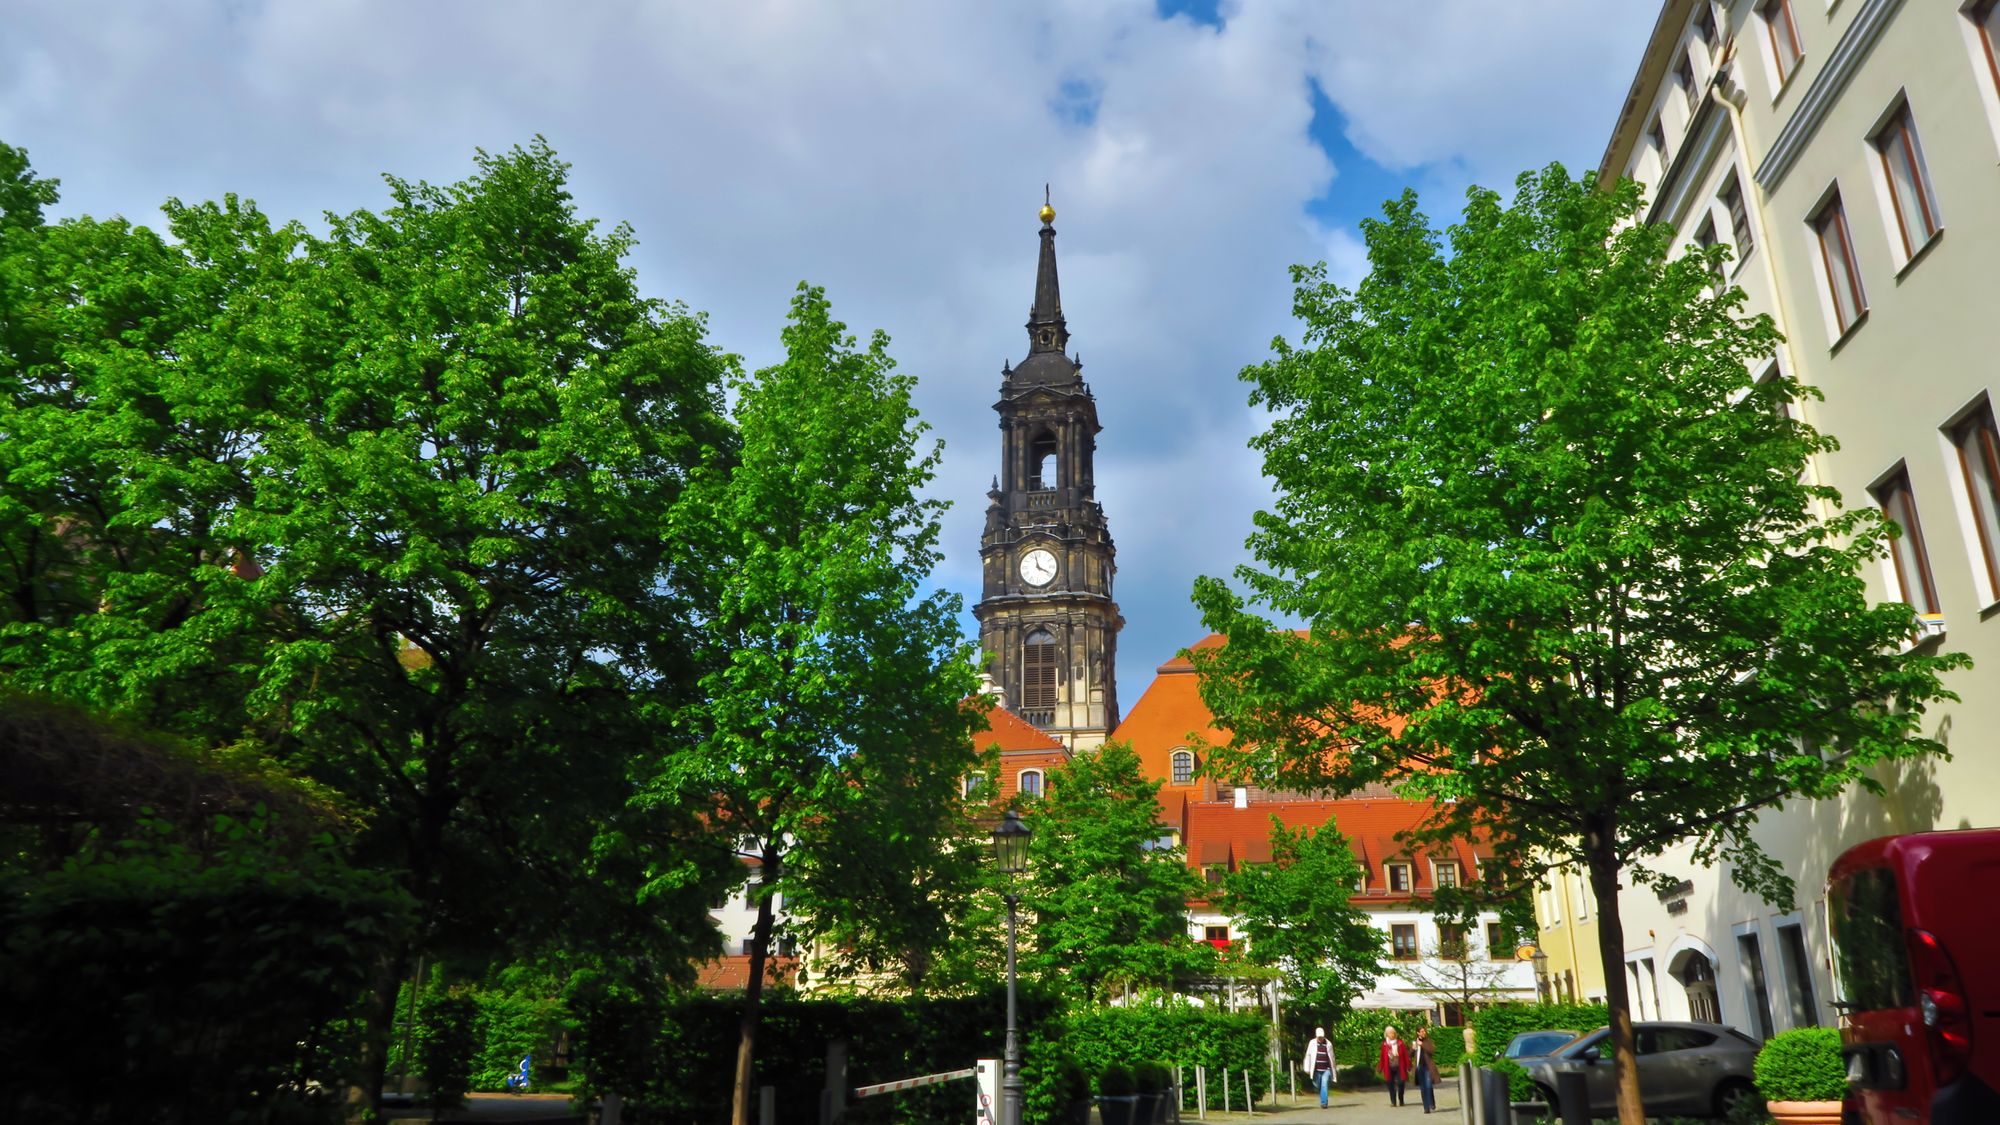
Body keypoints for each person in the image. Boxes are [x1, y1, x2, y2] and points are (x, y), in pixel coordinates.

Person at [1300, 1025, 1336, 1108]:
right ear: (1316, 1036)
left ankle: (1324, 1103)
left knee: (1324, 1084)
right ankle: (1323, 1096)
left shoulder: (1329, 1044)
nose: (1320, 1039)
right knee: (1317, 1085)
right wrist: (1307, 1068)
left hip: (1326, 1069)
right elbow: (1308, 1055)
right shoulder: (1312, 1043)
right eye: (1319, 1037)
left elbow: (1332, 1057)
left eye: (1322, 1037)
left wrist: (1333, 1069)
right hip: (1316, 1070)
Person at [1379, 1025, 1409, 1107]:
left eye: (1393, 1033)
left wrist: (1408, 1065)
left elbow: (1406, 1055)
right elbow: (1382, 1057)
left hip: (1399, 1066)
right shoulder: (1384, 1045)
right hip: (1389, 1067)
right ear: (1386, 1034)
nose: (1392, 1035)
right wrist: (1380, 1067)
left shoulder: (1400, 1043)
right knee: (1390, 1083)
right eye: (1390, 1033)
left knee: (1401, 1082)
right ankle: (1393, 1101)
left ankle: (1401, 1098)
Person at [1412, 1029, 1440, 1113]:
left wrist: (1422, 1044)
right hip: (1419, 1067)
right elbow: (1410, 1054)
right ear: (1417, 1033)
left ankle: (1431, 1102)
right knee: (1423, 1088)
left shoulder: (1428, 1041)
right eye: (1421, 1031)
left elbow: (1431, 1050)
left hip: (1427, 1067)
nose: (1424, 1033)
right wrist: (1413, 1049)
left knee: (1428, 1086)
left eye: (1424, 1031)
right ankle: (1426, 1107)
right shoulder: (1415, 1042)